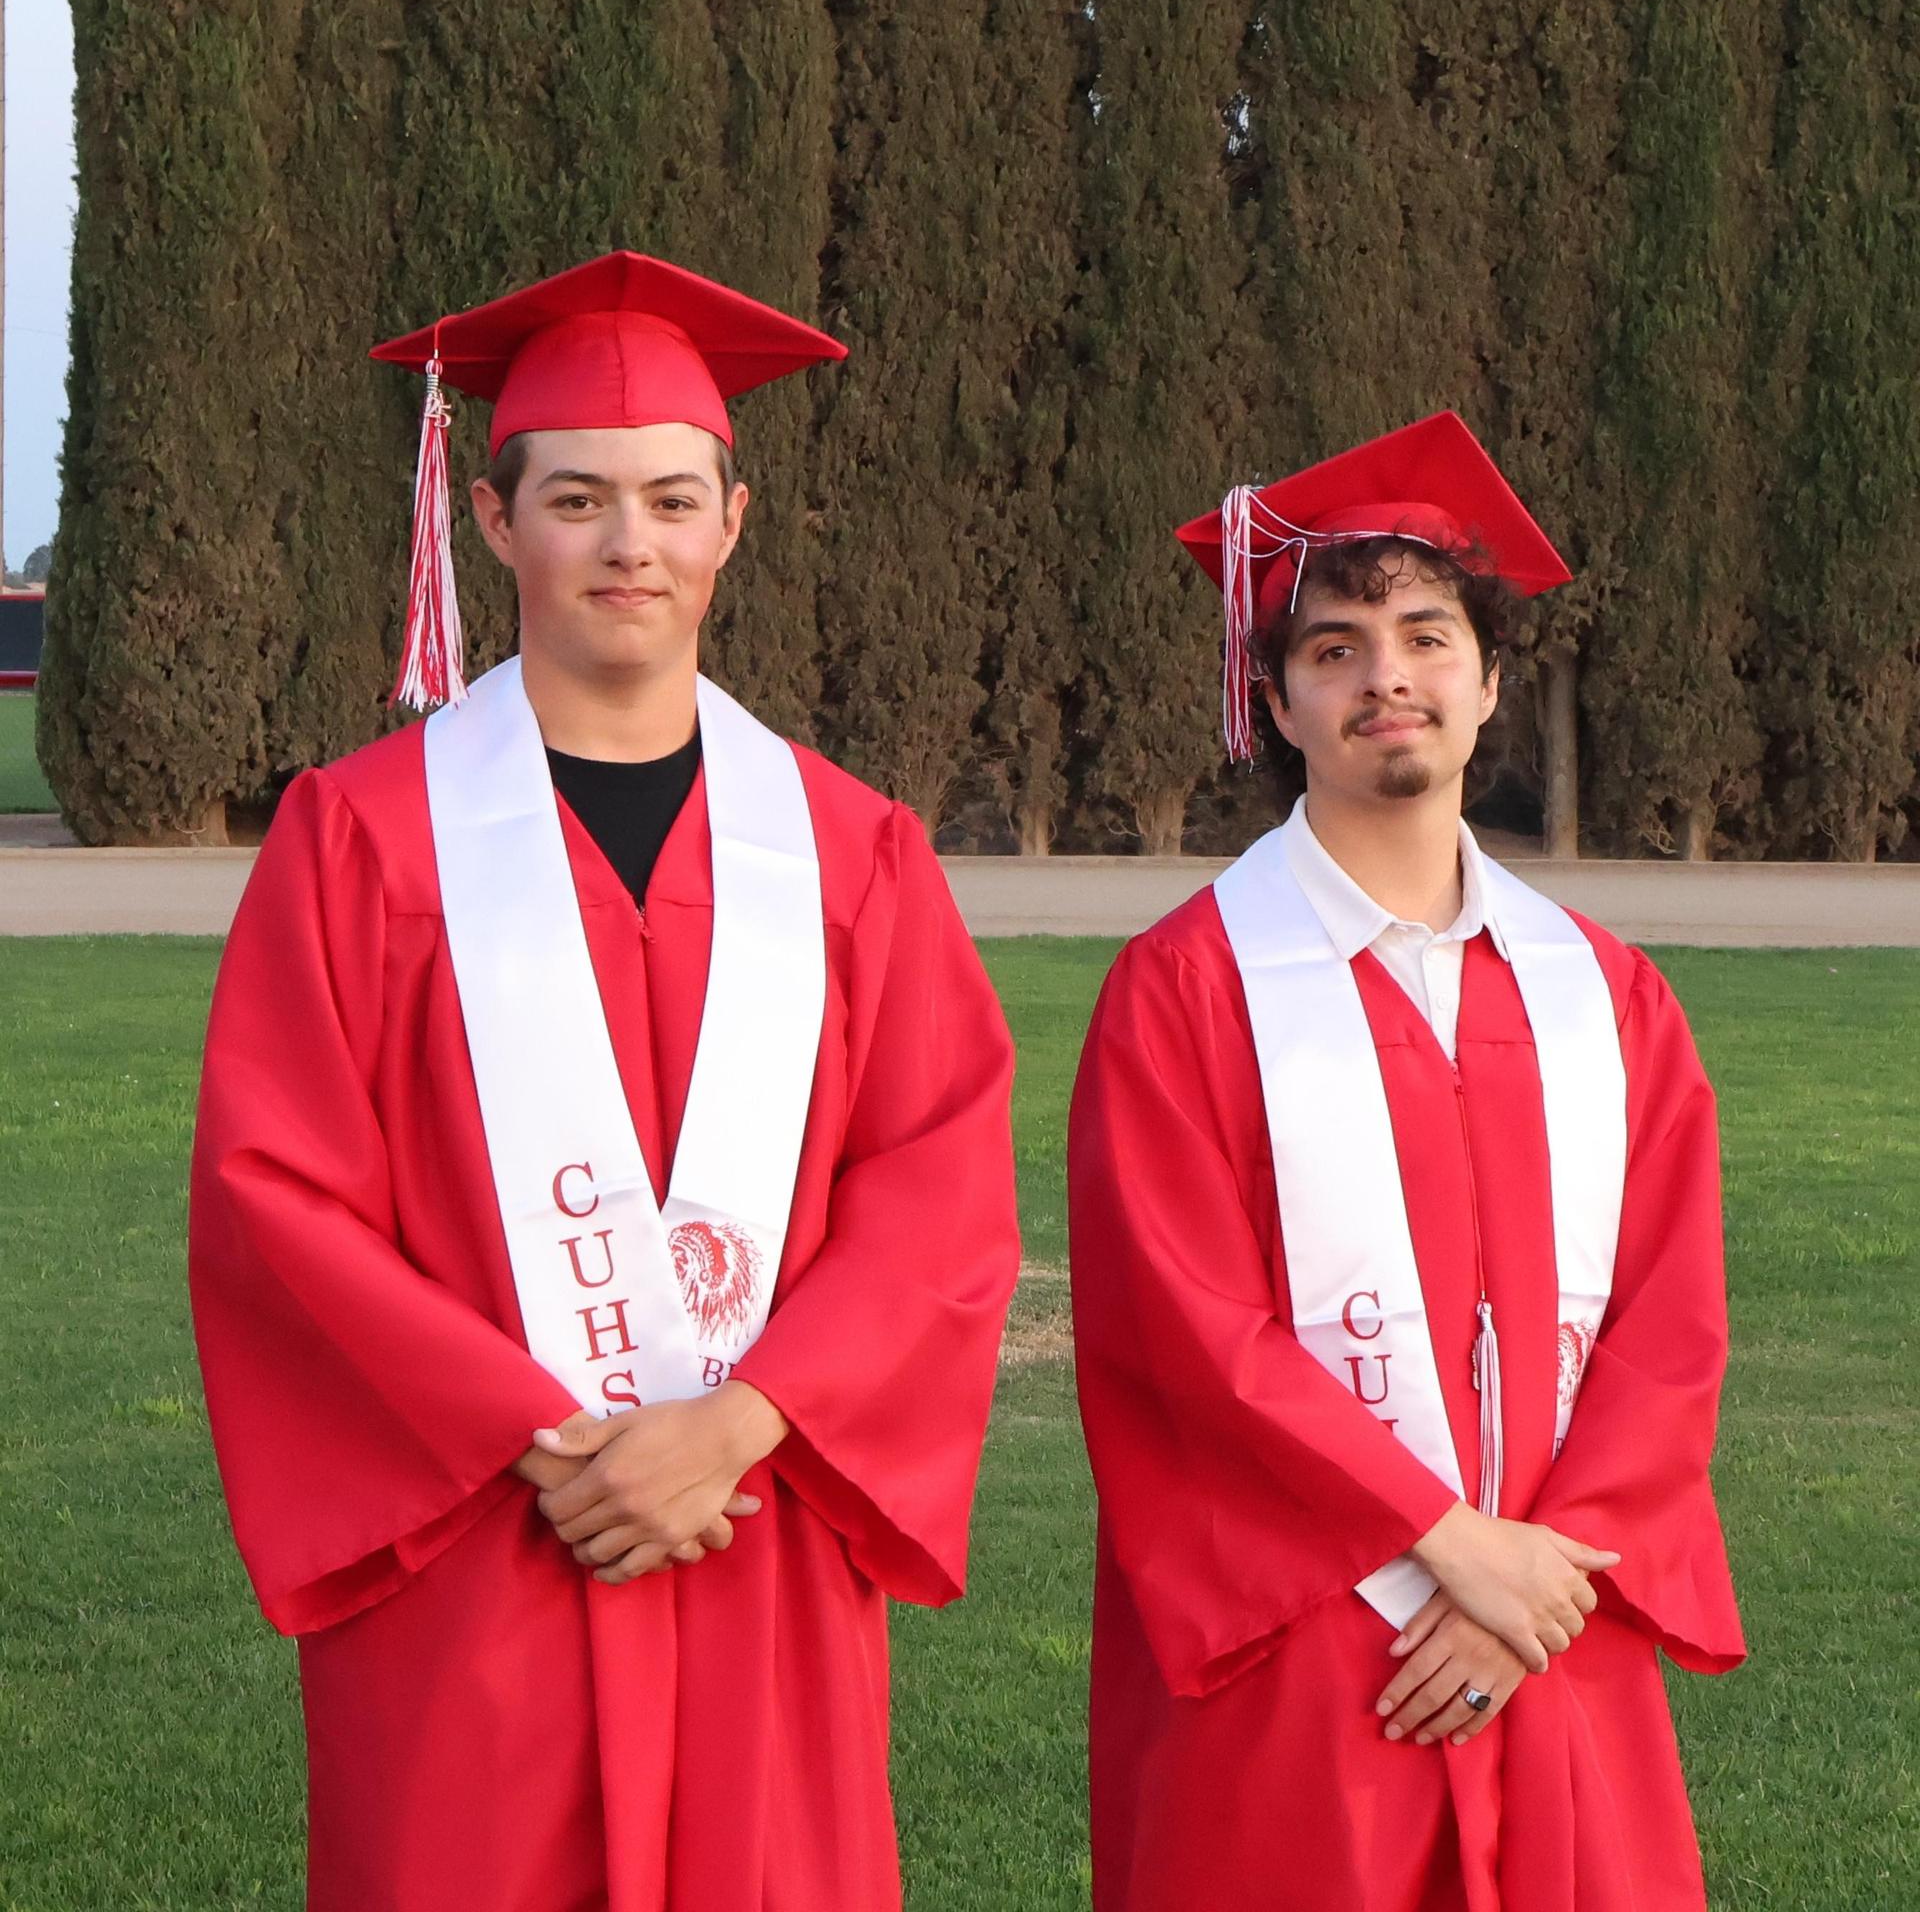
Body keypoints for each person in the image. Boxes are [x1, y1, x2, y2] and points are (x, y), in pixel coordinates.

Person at [189, 251, 1021, 1912]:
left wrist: (744, 1420)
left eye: (666, 498)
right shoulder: (358, 838)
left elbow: (937, 1190)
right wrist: (543, 1437)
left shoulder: (853, 854)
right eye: (576, 498)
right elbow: (276, 1199)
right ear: (495, 525)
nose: (626, 543)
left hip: (753, 1529)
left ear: (732, 518)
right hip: (485, 1545)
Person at [1069, 411, 1743, 1910]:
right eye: (1334, 648)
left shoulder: (1608, 996)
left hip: (1558, 1638)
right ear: (1277, 703)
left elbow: (1671, 1327)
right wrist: (1449, 1549)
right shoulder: (1185, 994)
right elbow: (1182, 1342)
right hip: (1308, 1650)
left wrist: (1536, 1582)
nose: (1388, 675)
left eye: (1428, 635)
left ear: (1490, 684)